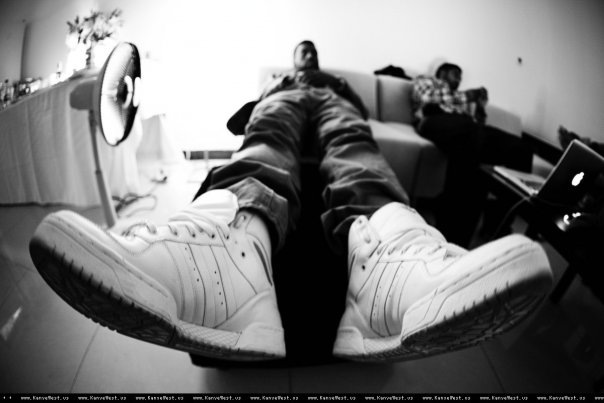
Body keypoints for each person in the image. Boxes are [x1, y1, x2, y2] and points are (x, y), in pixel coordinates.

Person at [29, 41, 553, 363]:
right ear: (295, 60)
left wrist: (331, 94)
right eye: (301, 54)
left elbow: (354, 115)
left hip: (333, 106)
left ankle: (386, 261)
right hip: (281, 103)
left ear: (317, 60)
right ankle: (233, 256)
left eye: (310, 54)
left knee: (353, 146)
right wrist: (265, 101)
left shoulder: (335, 82)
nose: (306, 57)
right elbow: (242, 122)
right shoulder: (279, 81)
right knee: (267, 139)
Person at [412, 63, 533, 247]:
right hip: (433, 120)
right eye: (456, 74)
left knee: (521, 149)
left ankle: (497, 224)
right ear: (442, 73)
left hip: (468, 127)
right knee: (474, 141)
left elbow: (478, 124)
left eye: (460, 77)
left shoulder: (458, 98)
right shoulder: (426, 80)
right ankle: (453, 233)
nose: (459, 79)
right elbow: (427, 98)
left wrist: (480, 107)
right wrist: (469, 95)